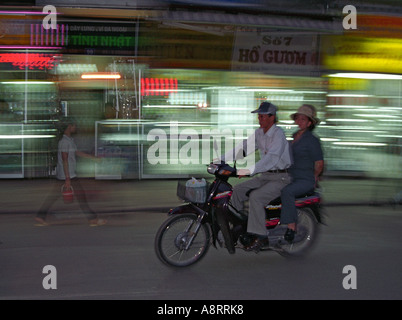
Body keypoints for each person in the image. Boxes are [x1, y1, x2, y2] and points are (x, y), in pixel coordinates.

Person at [219, 101, 292, 252]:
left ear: (272, 118)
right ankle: (239, 226)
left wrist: (249, 170)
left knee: (256, 197)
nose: (260, 119)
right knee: (237, 190)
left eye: (263, 116)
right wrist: (220, 160)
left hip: (281, 178)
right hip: (265, 176)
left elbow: (271, 158)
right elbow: (243, 149)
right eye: (258, 116)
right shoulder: (260, 133)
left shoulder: (278, 134)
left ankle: (260, 236)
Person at [35, 117, 106, 227]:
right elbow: (64, 159)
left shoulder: (69, 140)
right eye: (74, 125)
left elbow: (76, 152)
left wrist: (92, 157)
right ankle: (92, 219)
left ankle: (40, 216)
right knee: (81, 197)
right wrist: (67, 179)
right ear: (69, 127)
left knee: (54, 196)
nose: (75, 127)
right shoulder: (64, 142)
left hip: (66, 174)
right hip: (68, 175)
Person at [280, 104, 324, 242]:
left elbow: (319, 163)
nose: (299, 121)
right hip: (291, 176)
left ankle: (291, 227)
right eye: (298, 118)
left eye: (303, 119)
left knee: (287, 192)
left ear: (310, 123)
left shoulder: (312, 140)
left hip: (305, 179)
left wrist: (315, 177)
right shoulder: (294, 136)